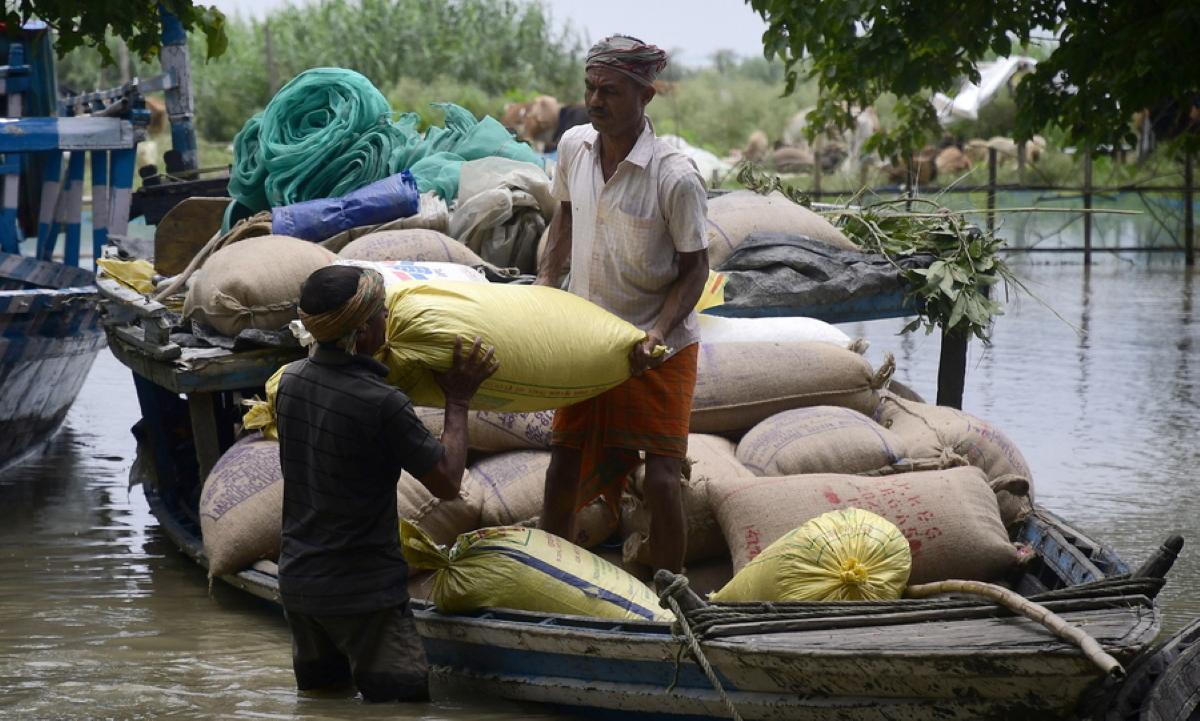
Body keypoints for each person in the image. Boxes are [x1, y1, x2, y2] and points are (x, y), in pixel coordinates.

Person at [274, 264, 499, 702]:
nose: (386, 319)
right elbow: (449, 482)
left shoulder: (290, 381)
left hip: (300, 586)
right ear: (361, 331)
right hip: (364, 596)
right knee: (401, 707)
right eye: (380, 312)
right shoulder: (381, 402)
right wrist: (458, 400)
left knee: (324, 704)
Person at [534, 34, 709, 576]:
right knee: (563, 460)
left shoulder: (675, 176)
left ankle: (672, 593)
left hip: (657, 346)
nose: (594, 100)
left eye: (608, 91)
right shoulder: (572, 148)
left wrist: (657, 331)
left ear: (645, 96)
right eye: (589, 87)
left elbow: (695, 268)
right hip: (587, 338)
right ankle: (552, 574)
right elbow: (562, 220)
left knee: (660, 478)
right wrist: (544, 282)